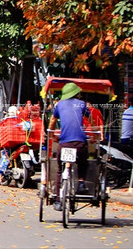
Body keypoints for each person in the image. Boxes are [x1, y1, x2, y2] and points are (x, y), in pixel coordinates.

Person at [49, 82, 91, 210]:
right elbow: (91, 119)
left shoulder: (59, 105)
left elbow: (52, 121)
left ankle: (57, 199)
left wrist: (51, 135)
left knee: (60, 170)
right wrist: (93, 135)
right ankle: (82, 182)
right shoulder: (82, 104)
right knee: (84, 162)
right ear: (76, 93)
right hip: (80, 144)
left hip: (65, 143)